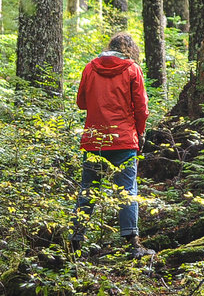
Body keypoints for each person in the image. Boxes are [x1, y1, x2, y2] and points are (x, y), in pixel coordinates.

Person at [70, 32, 154, 259]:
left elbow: (81, 103)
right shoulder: (132, 69)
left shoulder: (90, 68)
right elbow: (141, 108)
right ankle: (132, 244)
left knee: (88, 188)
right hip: (124, 140)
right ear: (130, 50)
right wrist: (140, 132)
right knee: (127, 190)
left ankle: (76, 238)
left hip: (94, 139)